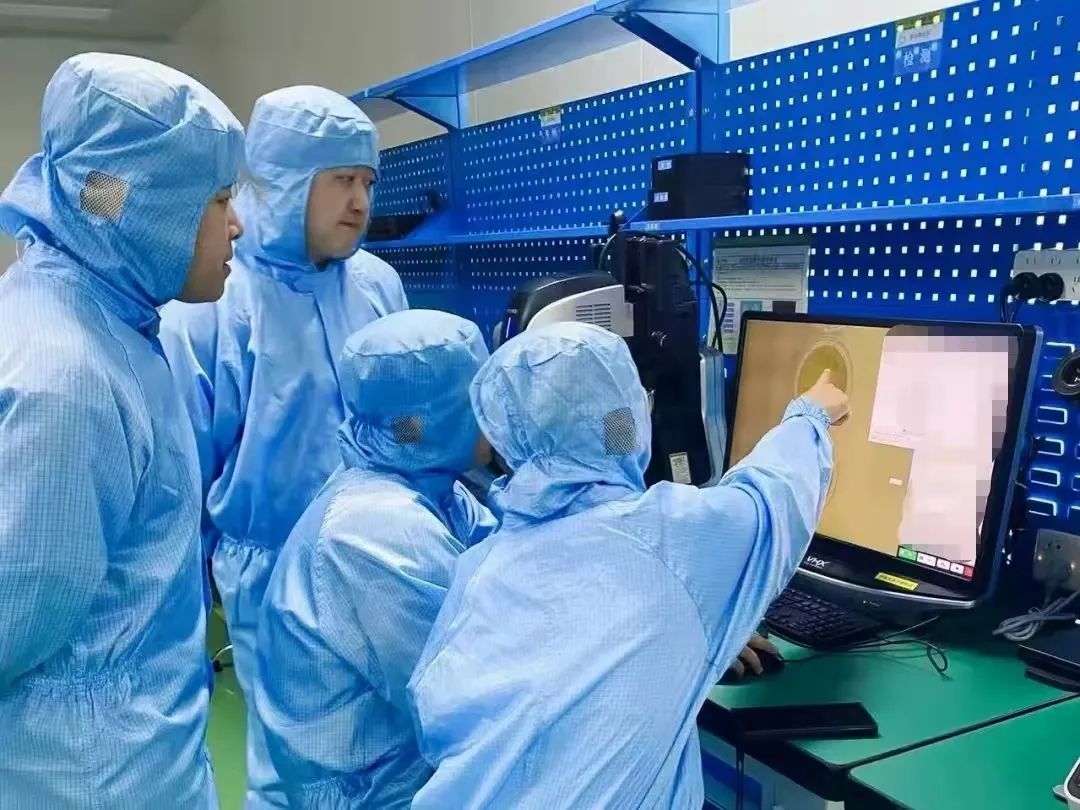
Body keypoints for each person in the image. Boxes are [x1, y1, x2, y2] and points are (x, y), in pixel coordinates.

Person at [409, 322, 849, 809]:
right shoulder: (670, 538)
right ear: (627, 418)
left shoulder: (480, 566)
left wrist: (684, 634)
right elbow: (772, 496)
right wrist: (811, 415)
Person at [0, 53, 244, 807]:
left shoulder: (116, 326)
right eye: (219, 200)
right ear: (144, 206)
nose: (237, 225)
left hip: (136, 758)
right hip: (89, 779)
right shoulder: (66, 379)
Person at [159, 86, 408, 807]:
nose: (359, 202)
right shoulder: (215, 303)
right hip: (273, 579)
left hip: (387, 565)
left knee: (398, 752)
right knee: (300, 766)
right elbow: (183, 483)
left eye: (368, 182)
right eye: (341, 180)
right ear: (286, 182)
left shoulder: (379, 286)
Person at [253, 309, 496, 808]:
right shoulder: (376, 530)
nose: (496, 413)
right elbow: (470, 690)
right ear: (423, 423)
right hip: (373, 796)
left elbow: (496, 551)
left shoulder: (428, 486)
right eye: (479, 400)